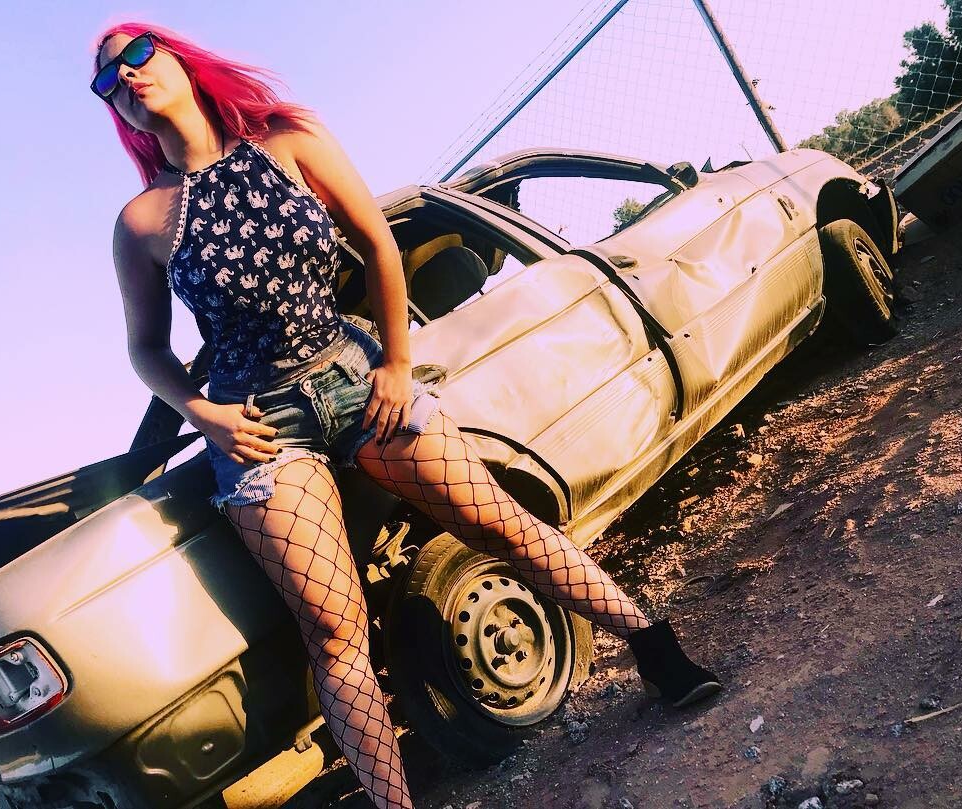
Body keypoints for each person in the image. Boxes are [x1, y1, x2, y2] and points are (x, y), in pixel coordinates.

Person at [92, 22, 722, 809]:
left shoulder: (287, 139)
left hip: (355, 373)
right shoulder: (143, 222)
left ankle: (656, 648)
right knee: (335, 629)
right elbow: (146, 349)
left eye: (137, 54)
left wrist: (396, 361)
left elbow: (378, 244)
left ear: (180, 58)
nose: (126, 76)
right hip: (260, 424)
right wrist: (204, 414)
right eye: (107, 79)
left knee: (497, 521)